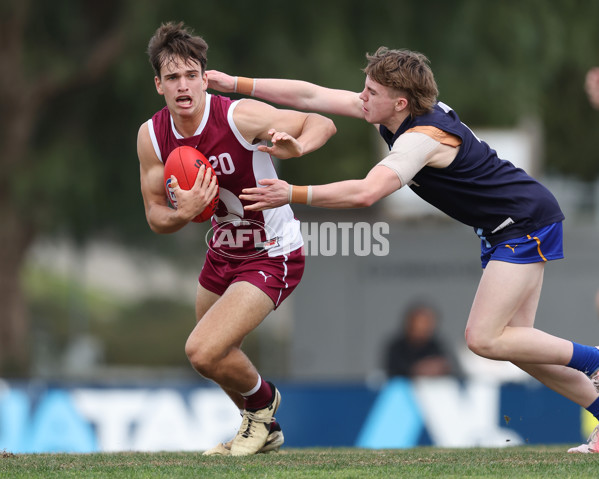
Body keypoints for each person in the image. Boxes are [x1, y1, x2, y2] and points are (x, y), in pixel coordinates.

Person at [208, 47, 599, 453]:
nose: (361, 97)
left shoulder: (421, 139)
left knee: (483, 339)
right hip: (512, 225)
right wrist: (233, 84)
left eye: (371, 91)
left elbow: (366, 193)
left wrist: (291, 192)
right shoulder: (392, 112)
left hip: (524, 223)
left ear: (400, 102)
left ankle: (595, 359)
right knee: (520, 346)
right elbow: (310, 96)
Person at [137, 22, 336, 456]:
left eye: (192, 75)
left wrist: (297, 147)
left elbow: (320, 122)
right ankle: (263, 430)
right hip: (222, 253)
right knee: (217, 358)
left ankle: (263, 407)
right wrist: (182, 213)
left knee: (202, 351)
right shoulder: (152, 136)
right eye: (172, 78)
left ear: (205, 78)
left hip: (273, 252)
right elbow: (156, 216)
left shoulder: (237, 116)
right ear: (159, 85)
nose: (183, 86)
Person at [384, 302, 455, 378]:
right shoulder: (396, 347)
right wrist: (417, 369)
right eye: (420, 323)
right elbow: (392, 370)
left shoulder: (437, 345)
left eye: (427, 323)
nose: (423, 327)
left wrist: (441, 367)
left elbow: (450, 366)